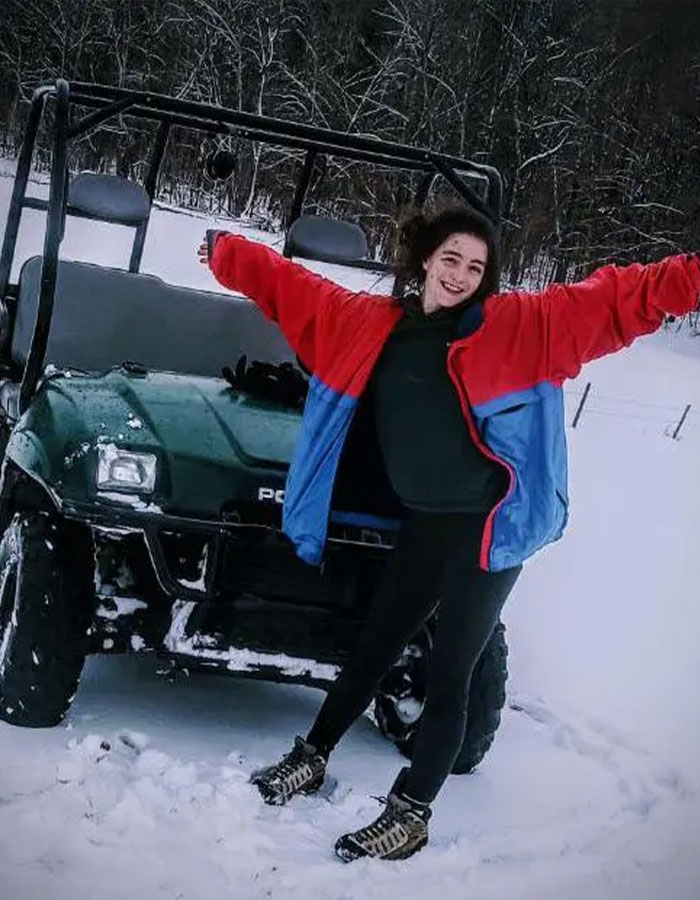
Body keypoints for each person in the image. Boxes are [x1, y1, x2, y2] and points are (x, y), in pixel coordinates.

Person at [198, 208, 700, 862]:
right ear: (424, 260)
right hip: (426, 522)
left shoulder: (519, 329)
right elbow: (292, 290)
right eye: (451, 260)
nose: (462, 275)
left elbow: (618, 299)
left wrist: (689, 277)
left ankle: (411, 812)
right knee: (375, 645)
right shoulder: (371, 324)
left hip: (489, 532)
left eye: (476, 267)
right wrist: (226, 252)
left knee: (449, 670)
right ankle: (312, 756)